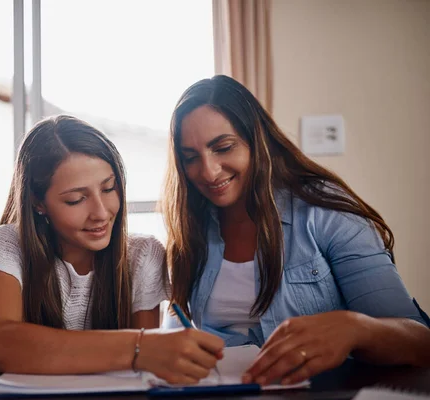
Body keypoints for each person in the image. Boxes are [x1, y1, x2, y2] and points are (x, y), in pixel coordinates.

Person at [160, 75, 430, 386]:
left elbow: (421, 343)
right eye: (190, 158)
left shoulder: (325, 212)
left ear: (257, 139)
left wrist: (354, 328)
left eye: (223, 147)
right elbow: (178, 326)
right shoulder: (191, 225)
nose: (208, 172)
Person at [0, 115, 224, 384]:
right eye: (76, 200)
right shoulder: (11, 243)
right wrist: (140, 347)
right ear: (38, 203)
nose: (101, 213)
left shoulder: (143, 255)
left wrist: (147, 351)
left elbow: (141, 373)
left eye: (108, 188)